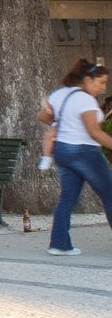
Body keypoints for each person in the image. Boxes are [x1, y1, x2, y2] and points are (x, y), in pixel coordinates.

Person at [39, 58, 111, 256]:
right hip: (84, 152)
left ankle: (59, 244)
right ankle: (60, 244)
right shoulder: (85, 100)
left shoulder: (60, 94)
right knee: (109, 194)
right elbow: (94, 132)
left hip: (63, 150)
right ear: (87, 79)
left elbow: (43, 117)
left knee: (67, 199)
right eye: (101, 82)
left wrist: (61, 120)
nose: (103, 87)